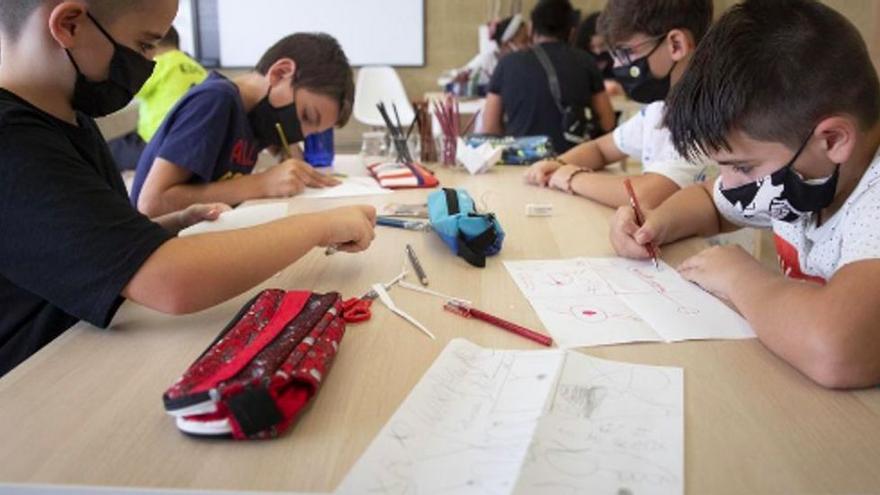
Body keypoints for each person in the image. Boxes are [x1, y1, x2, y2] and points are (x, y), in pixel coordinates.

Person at [0, 0, 376, 377]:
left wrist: (169, 226)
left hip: (91, 347)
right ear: (69, 24)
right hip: (36, 380)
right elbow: (168, 281)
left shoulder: (72, 121)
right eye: (146, 46)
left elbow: (96, 246)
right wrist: (321, 225)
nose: (148, 67)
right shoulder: (13, 139)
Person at [610, 0, 880, 389]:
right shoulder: (812, 170)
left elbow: (837, 350)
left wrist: (741, 278)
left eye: (742, 167)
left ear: (833, 139)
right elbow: (709, 201)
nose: (731, 183)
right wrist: (654, 222)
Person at [131, 33, 347, 217]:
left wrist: (291, 158)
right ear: (280, 73)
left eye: (312, 132)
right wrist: (262, 184)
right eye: (307, 116)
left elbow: (289, 156)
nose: (302, 134)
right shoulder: (216, 101)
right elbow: (152, 203)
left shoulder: (258, 118)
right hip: (156, 249)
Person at [524, 0, 713, 210]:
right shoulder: (659, 110)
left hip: (699, 243)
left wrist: (570, 177)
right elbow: (600, 149)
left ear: (676, 45)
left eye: (625, 52)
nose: (618, 66)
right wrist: (558, 164)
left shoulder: (708, 117)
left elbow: (645, 197)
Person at [481, 0, 615, 155]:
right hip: (573, 161)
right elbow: (607, 121)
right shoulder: (586, 61)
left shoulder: (507, 64)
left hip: (522, 162)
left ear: (531, 28)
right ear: (572, 31)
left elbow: (490, 127)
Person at [107, 26, 208, 171]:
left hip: (160, 145)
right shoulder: (198, 68)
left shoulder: (158, 64)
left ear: (151, 45)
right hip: (193, 144)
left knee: (107, 152)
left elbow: (128, 90)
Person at [572, 12, 623, 96]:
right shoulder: (579, 57)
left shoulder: (619, 54)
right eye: (592, 47)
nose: (598, 51)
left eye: (602, 45)